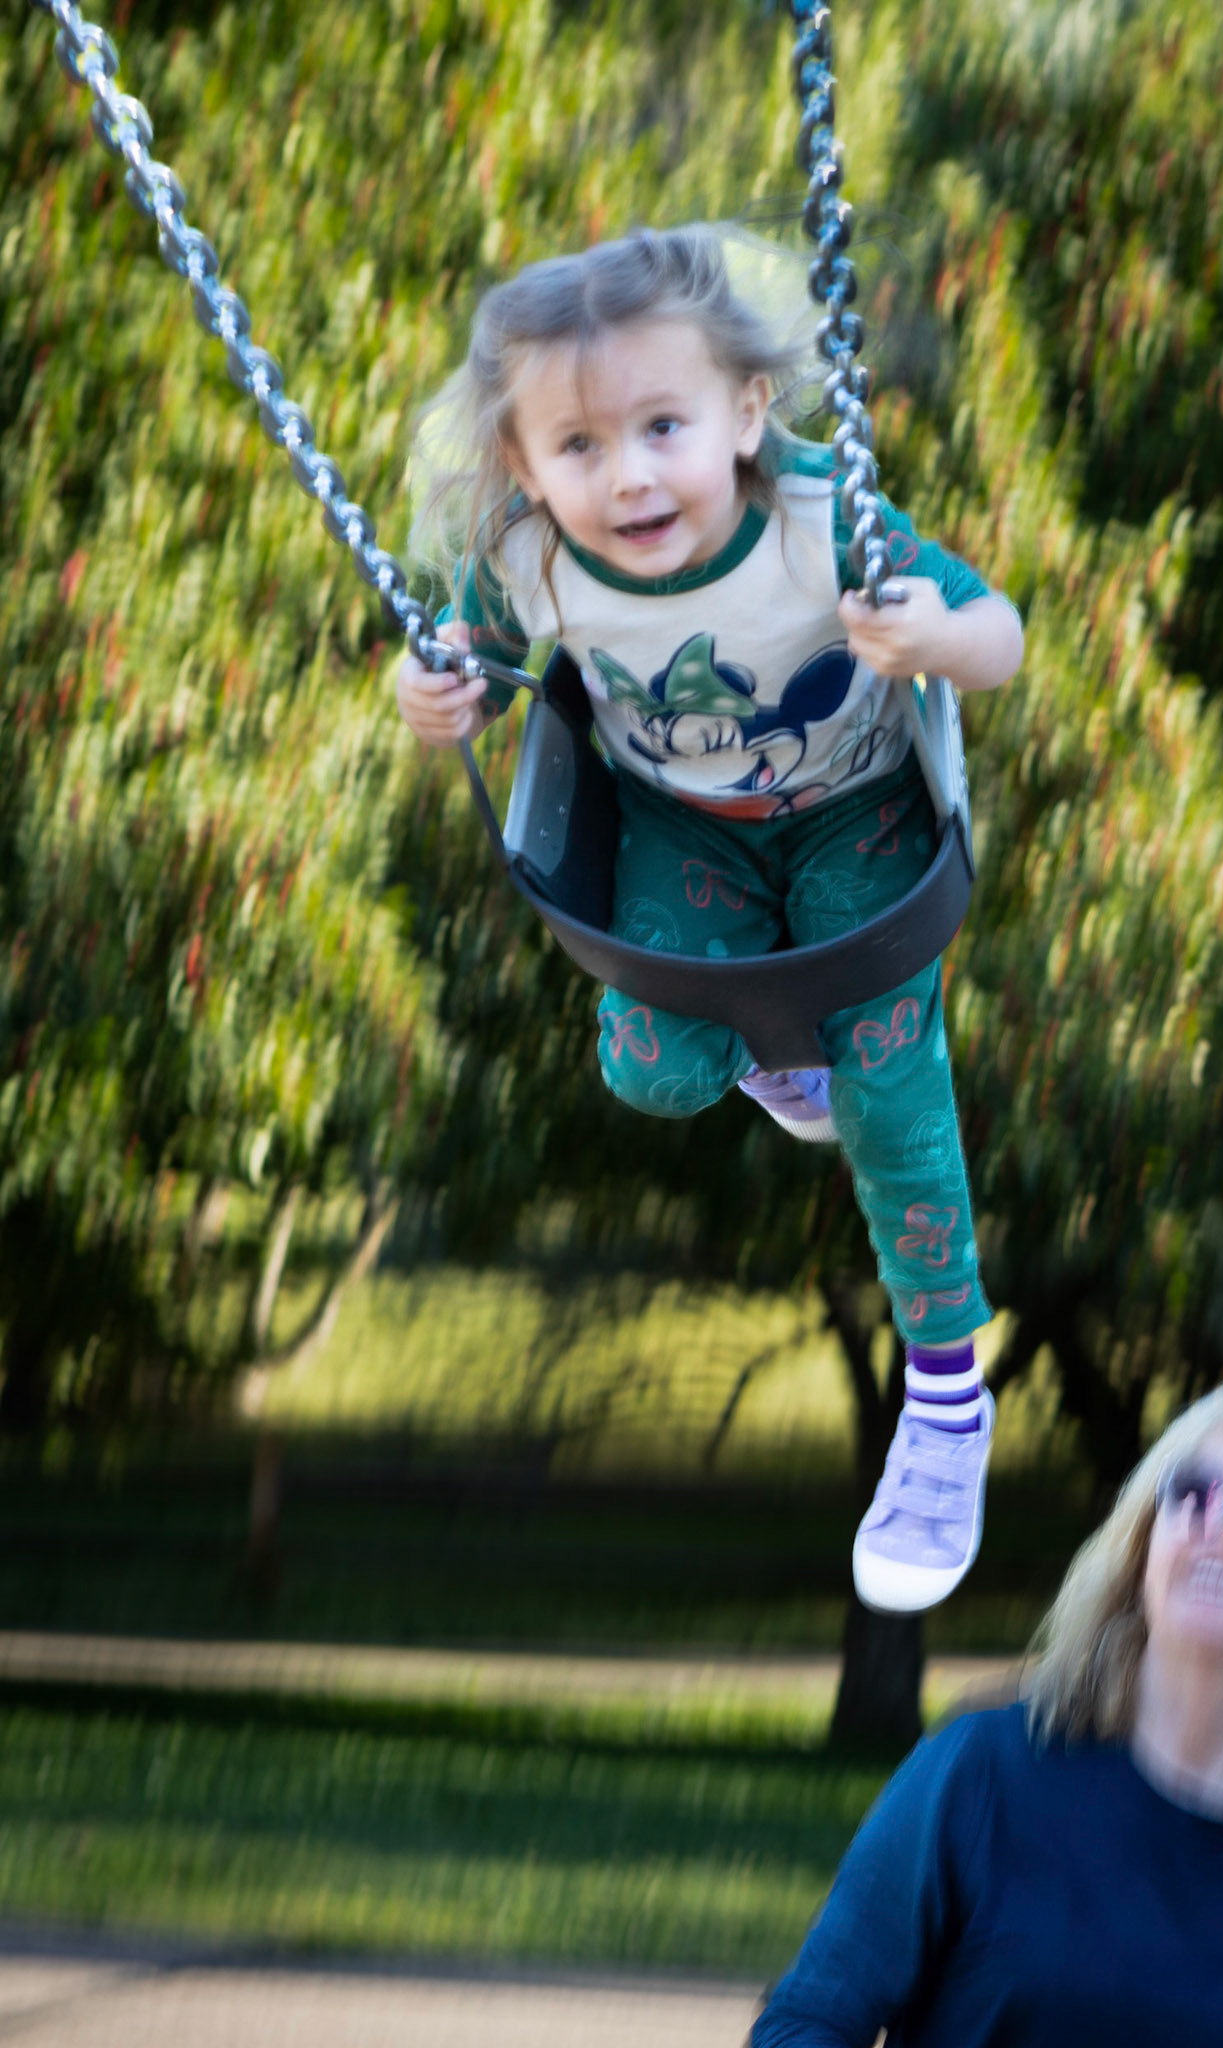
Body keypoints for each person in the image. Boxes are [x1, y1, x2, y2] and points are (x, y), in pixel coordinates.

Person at [394, 225, 1024, 1611]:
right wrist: (435, 695)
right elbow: (465, 667)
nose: (625, 475)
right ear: (519, 465)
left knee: (890, 1082)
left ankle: (943, 1396)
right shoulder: (526, 562)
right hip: (685, 834)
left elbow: (1001, 637)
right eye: (576, 447)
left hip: (861, 813)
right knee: (652, 1068)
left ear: (746, 411)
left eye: (662, 426)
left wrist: (931, 641)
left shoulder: (820, 515)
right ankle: (772, 1057)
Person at [751, 1361, 1223, 2047]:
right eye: (1196, 1492)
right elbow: (807, 2023)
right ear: (1142, 1547)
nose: (1221, 1530)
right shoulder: (982, 1773)